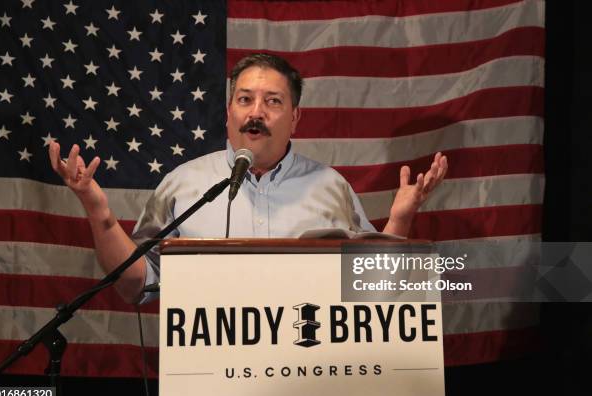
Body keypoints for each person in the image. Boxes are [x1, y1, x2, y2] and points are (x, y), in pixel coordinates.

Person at [48, 53, 448, 304]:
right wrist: (97, 208)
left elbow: (374, 291)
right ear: (229, 112)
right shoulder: (183, 184)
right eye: (244, 99)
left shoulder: (330, 187)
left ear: (294, 118)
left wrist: (400, 221)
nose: (256, 112)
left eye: (273, 101)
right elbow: (137, 284)